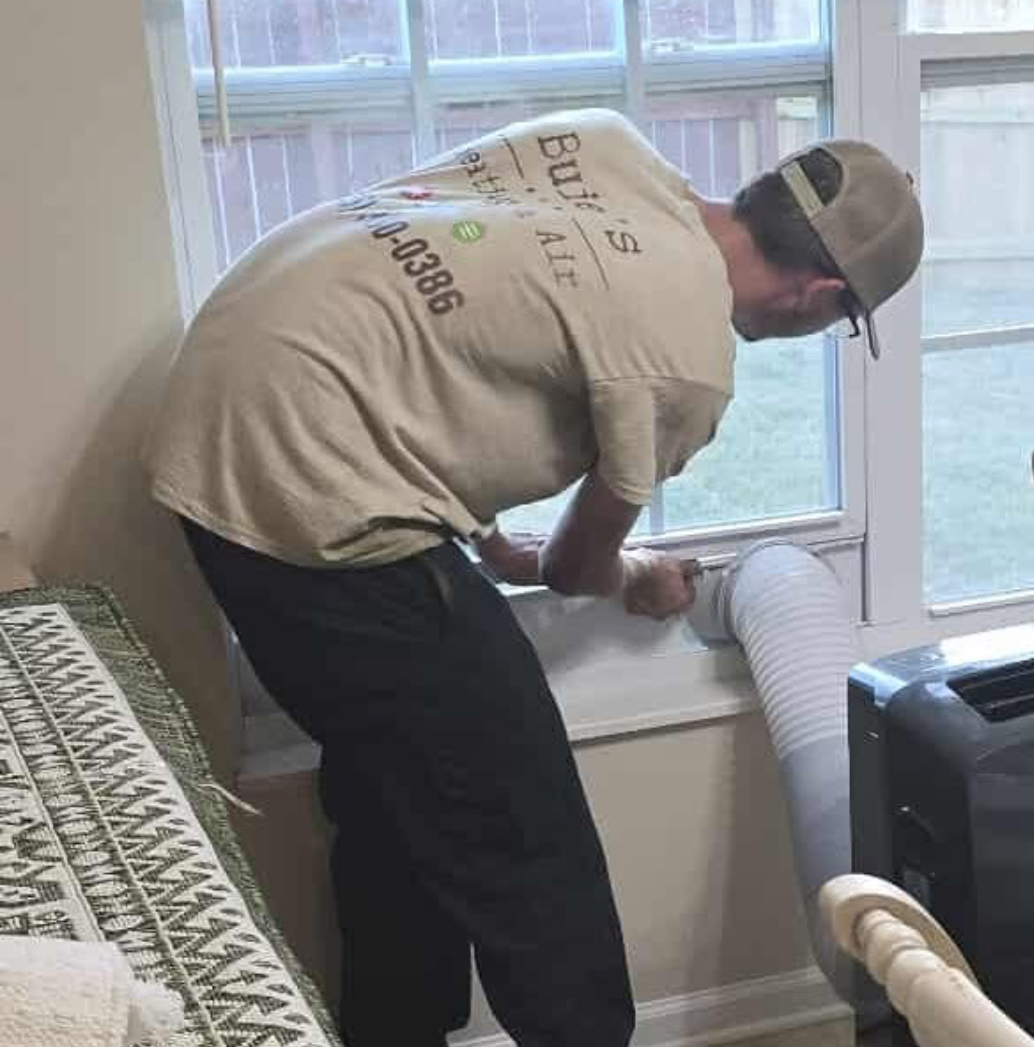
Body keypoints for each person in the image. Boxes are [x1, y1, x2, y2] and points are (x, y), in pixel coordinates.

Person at [146, 108, 923, 1047]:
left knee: (401, 794)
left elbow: (447, 318)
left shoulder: (602, 144)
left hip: (221, 409)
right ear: (820, 296)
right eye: (844, 322)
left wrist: (490, 539)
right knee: (532, 844)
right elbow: (574, 566)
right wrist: (636, 576)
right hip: (302, 480)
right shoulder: (688, 361)